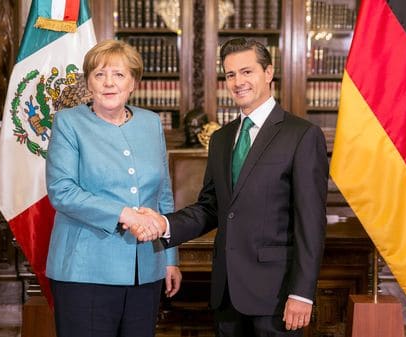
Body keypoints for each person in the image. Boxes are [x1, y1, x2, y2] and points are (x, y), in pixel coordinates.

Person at [137, 38, 328, 336]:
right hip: (226, 295)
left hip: (277, 297)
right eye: (230, 74)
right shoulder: (222, 138)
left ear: (268, 73)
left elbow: (310, 223)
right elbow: (211, 207)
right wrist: (163, 223)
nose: (238, 82)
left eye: (247, 71)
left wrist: (302, 293)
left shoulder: (302, 135)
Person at [45, 39, 182, 337]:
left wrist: (170, 259)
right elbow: (62, 190)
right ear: (89, 83)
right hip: (84, 270)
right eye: (99, 75)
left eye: (119, 75)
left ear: (133, 82)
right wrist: (126, 215)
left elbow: (163, 194)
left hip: (146, 268)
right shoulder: (69, 123)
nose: (109, 83)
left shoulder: (151, 123)